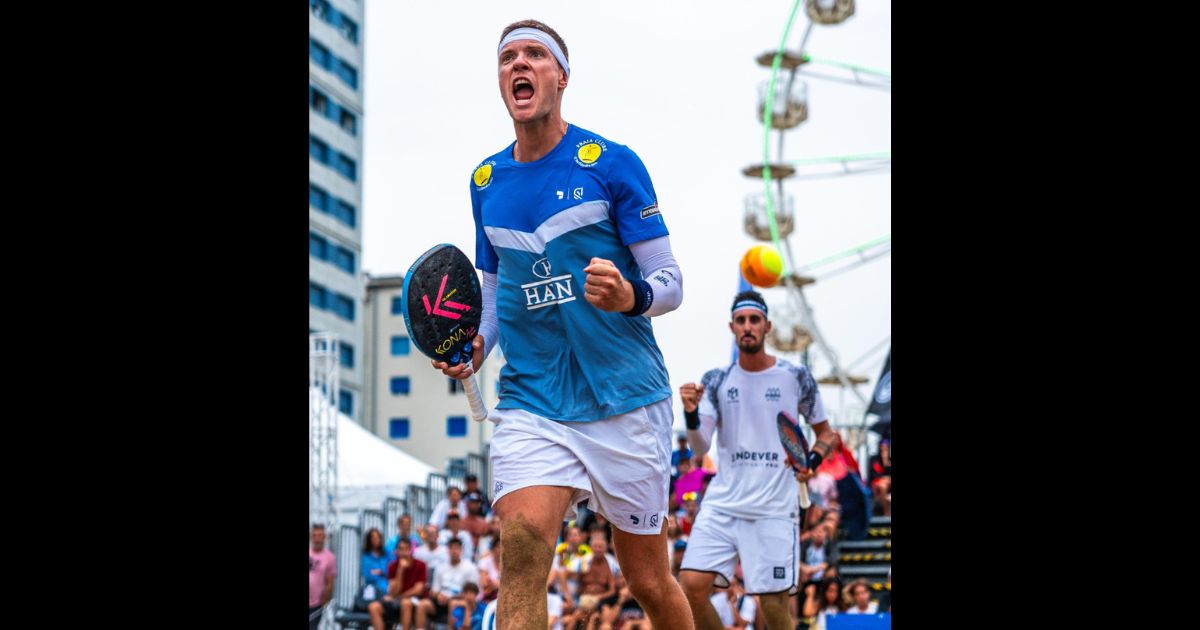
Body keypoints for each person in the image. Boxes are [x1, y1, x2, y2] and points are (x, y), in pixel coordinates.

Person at [432, 18, 691, 630]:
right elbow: (493, 294)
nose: (518, 66)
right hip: (533, 400)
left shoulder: (612, 163)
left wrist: (630, 295)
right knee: (522, 548)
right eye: (507, 59)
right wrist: (476, 346)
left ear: (561, 77)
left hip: (624, 399)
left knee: (651, 582)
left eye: (534, 56)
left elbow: (671, 282)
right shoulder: (485, 181)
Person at [677, 290, 842, 630]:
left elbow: (828, 434)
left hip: (774, 508)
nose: (747, 327)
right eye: (741, 321)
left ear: (767, 326)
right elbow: (698, 446)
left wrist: (811, 458)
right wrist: (691, 414)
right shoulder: (716, 380)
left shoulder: (796, 377)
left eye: (754, 320)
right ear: (732, 327)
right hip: (724, 503)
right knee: (691, 587)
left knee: (773, 605)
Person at [367, 537, 427, 630]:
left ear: (411, 550)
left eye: (406, 549)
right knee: (373, 607)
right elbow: (393, 592)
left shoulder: (420, 565)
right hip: (396, 601)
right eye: (401, 549)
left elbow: (418, 590)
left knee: (405, 603)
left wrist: (398, 597)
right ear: (396, 551)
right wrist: (400, 570)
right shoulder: (392, 566)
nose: (403, 552)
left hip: (415, 601)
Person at [309, 523, 336, 630]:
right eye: (315, 535)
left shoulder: (329, 557)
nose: (317, 539)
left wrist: (324, 600)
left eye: (320, 535)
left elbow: (330, 581)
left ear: (324, 537)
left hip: (316, 603)